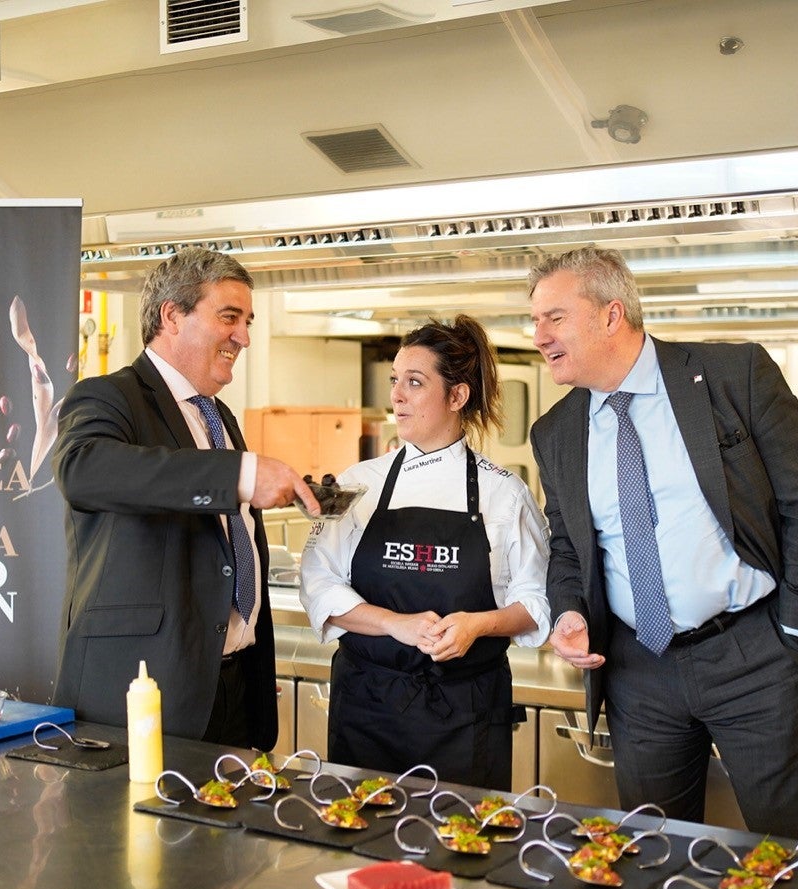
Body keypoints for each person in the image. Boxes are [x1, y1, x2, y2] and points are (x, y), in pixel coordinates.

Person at [527, 246, 798, 838]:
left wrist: (794, 633)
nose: (538, 336)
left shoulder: (736, 376)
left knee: (797, 852)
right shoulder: (555, 432)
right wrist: (569, 610)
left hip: (752, 656)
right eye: (534, 321)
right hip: (637, 670)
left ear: (611, 314)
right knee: (654, 852)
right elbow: (568, 547)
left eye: (554, 317)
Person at [51, 248, 317, 748]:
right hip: (145, 688)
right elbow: (82, 470)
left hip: (233, 688)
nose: (243, 337)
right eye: (229, 318)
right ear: (172, 316)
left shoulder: (218, 417)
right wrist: (240, 474)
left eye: (247, 321)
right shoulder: (107, 396)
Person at [298, 315, 551, 789]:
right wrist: (397, 624)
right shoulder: (359, 483)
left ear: (457, 397)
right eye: (395, 380)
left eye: (414, 382)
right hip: (368, 710)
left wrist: (480, 624)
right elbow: (318, 583)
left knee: (463, 850)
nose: (396, 395)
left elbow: (536, 600)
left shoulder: (504, 494)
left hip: (465, 714)